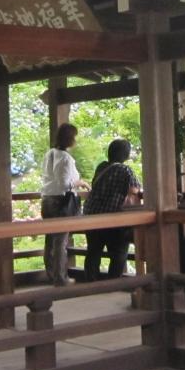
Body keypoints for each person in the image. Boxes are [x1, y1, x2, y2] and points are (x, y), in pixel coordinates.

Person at [82, 139, 142, 281]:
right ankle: (113, 284)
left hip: (92, 215)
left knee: (93, 252)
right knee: (118, 253)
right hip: (112, 217)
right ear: (125, 154)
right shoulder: (125, 170)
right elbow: (134, 189)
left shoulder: (101, 167)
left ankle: (91, 283)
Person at [40, 122, 88, 285]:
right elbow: (64, 184)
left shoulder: (50, 154)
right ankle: (60, 278)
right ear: (70, 139)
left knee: (50, 240)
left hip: (47, 199)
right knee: (60, 241)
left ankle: (51, 275)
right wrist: (80, 183)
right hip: (61, 202)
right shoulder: (65, 158)